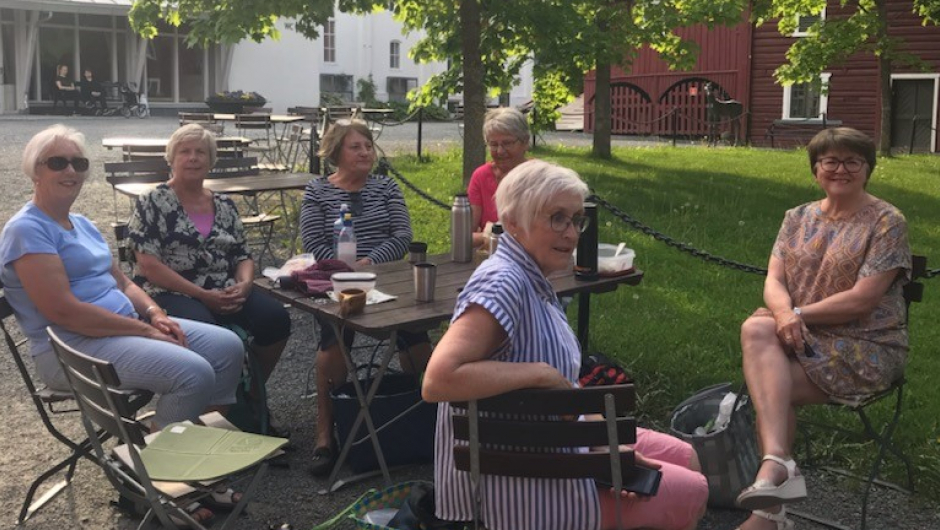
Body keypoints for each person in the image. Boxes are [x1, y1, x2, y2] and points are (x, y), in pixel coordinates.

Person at [422, 160, 708, 530]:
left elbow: (563, 394)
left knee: (684, 455)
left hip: (550, 442)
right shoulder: (502, 283)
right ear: (512, 223)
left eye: (576, 219)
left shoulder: (533, 276)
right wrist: (540, 375)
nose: (572, 233)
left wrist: (600, 439)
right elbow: (439, 379)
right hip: (527, 486)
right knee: (693, 488)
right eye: (557, 218)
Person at [0, 126, 246, 524]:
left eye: (78, 163)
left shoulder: (78, 222)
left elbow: (125, 281)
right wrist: (146, 331)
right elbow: (64, 312)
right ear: (35, 171)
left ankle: (182, 455)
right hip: (71, 347)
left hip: (119, 329)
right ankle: (166, 483)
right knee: (193, 372)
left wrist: (155, 314)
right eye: (57, 162)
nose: (71, 171)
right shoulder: (27, 230)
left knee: (226, 347)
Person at [736, 127, 910, 530]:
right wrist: (784, 315)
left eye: (852, 161)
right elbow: (773, 282)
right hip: (800, 335)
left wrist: (796, 314)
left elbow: (863, 299)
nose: (840, 169)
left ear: (868, 169)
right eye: (829, 161)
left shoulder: (887, 221)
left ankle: (769, 506)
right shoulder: (796, 217)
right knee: (757, 328)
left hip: (865, 346)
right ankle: (777, 468)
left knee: (769, 390)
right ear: (816, 169)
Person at [127, 124, 291, 430]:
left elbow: (243, 255)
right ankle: (206, 418)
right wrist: (203, 295)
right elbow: (148, 265)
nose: (192, 158)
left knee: (276, 319)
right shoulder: (151, 202)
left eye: (200, 152)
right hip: (169, 290)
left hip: (224, 286)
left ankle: (251, 394)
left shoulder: (225, 205)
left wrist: (244, 284)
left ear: (211, 160)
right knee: (209, 331)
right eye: (184, 151)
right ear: (171, 159)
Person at [299, 118, 432, 476]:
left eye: (368, 146)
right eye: (355, 147)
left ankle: (427, 415)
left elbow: (402, 235)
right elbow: (312, 243)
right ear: (336, 153)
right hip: (337, 281)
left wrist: (371, 260)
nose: (365, 153)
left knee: (416, 332)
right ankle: (325, 434)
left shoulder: (386, 188)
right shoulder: (317, 192)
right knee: (333, 337)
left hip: (387, 279)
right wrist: (343, 268)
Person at [468, 107, 531, 247]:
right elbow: (465, 237)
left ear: (525, 142)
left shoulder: (539, 177)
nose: (500, 151)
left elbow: (543, 236)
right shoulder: (481, 176)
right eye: (494, 145)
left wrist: (491, 235)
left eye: (507, 143)